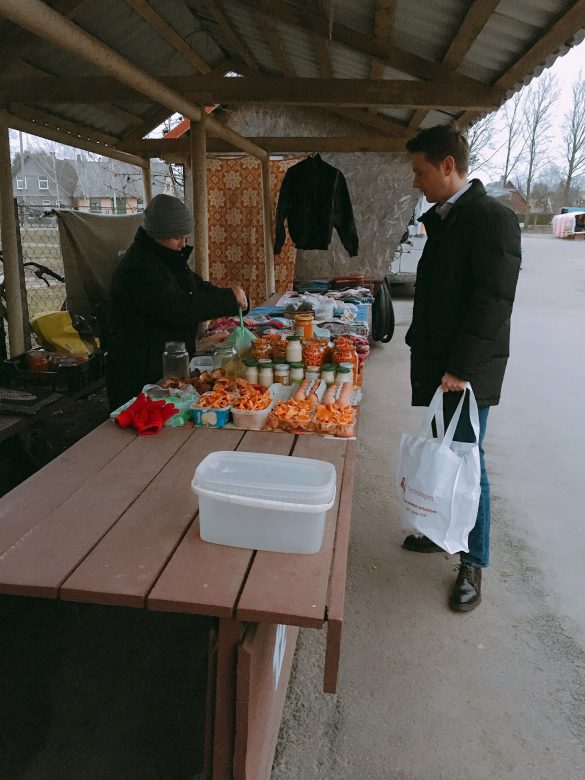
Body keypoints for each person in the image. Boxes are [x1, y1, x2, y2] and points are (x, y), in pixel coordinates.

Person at [402, 125, 521, 612]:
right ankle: (439, 529)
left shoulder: (491, 218)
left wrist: (461, 368)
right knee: (441, 449)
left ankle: (473, 559)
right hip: (441, 365)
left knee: (469, 463)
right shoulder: (447, 218)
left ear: (448, 165)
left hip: (464, 370)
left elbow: (494, 301)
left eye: (421, 171)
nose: (416, 182)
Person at [106, 194, 247, 411]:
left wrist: (235, 298)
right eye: (177, 237)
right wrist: (227, 299)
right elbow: (177, 307)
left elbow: (196, 287)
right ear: (156, 234)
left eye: (185, 237)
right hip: (137, 372)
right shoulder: (138, 268)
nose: (183, 243)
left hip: (164, 366)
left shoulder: (166, 258)